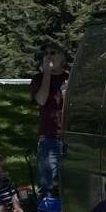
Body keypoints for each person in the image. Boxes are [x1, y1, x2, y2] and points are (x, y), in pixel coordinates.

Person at [29, 46, 68, 194]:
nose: (49, 56)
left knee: (67, 182)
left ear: (62, 57)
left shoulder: (70, 78)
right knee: (48, 182)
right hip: (49, 136)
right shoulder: (38, 79)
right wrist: (47, 74)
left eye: (53, 52)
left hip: (69, 137)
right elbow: (41, 100)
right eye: (46, 54)